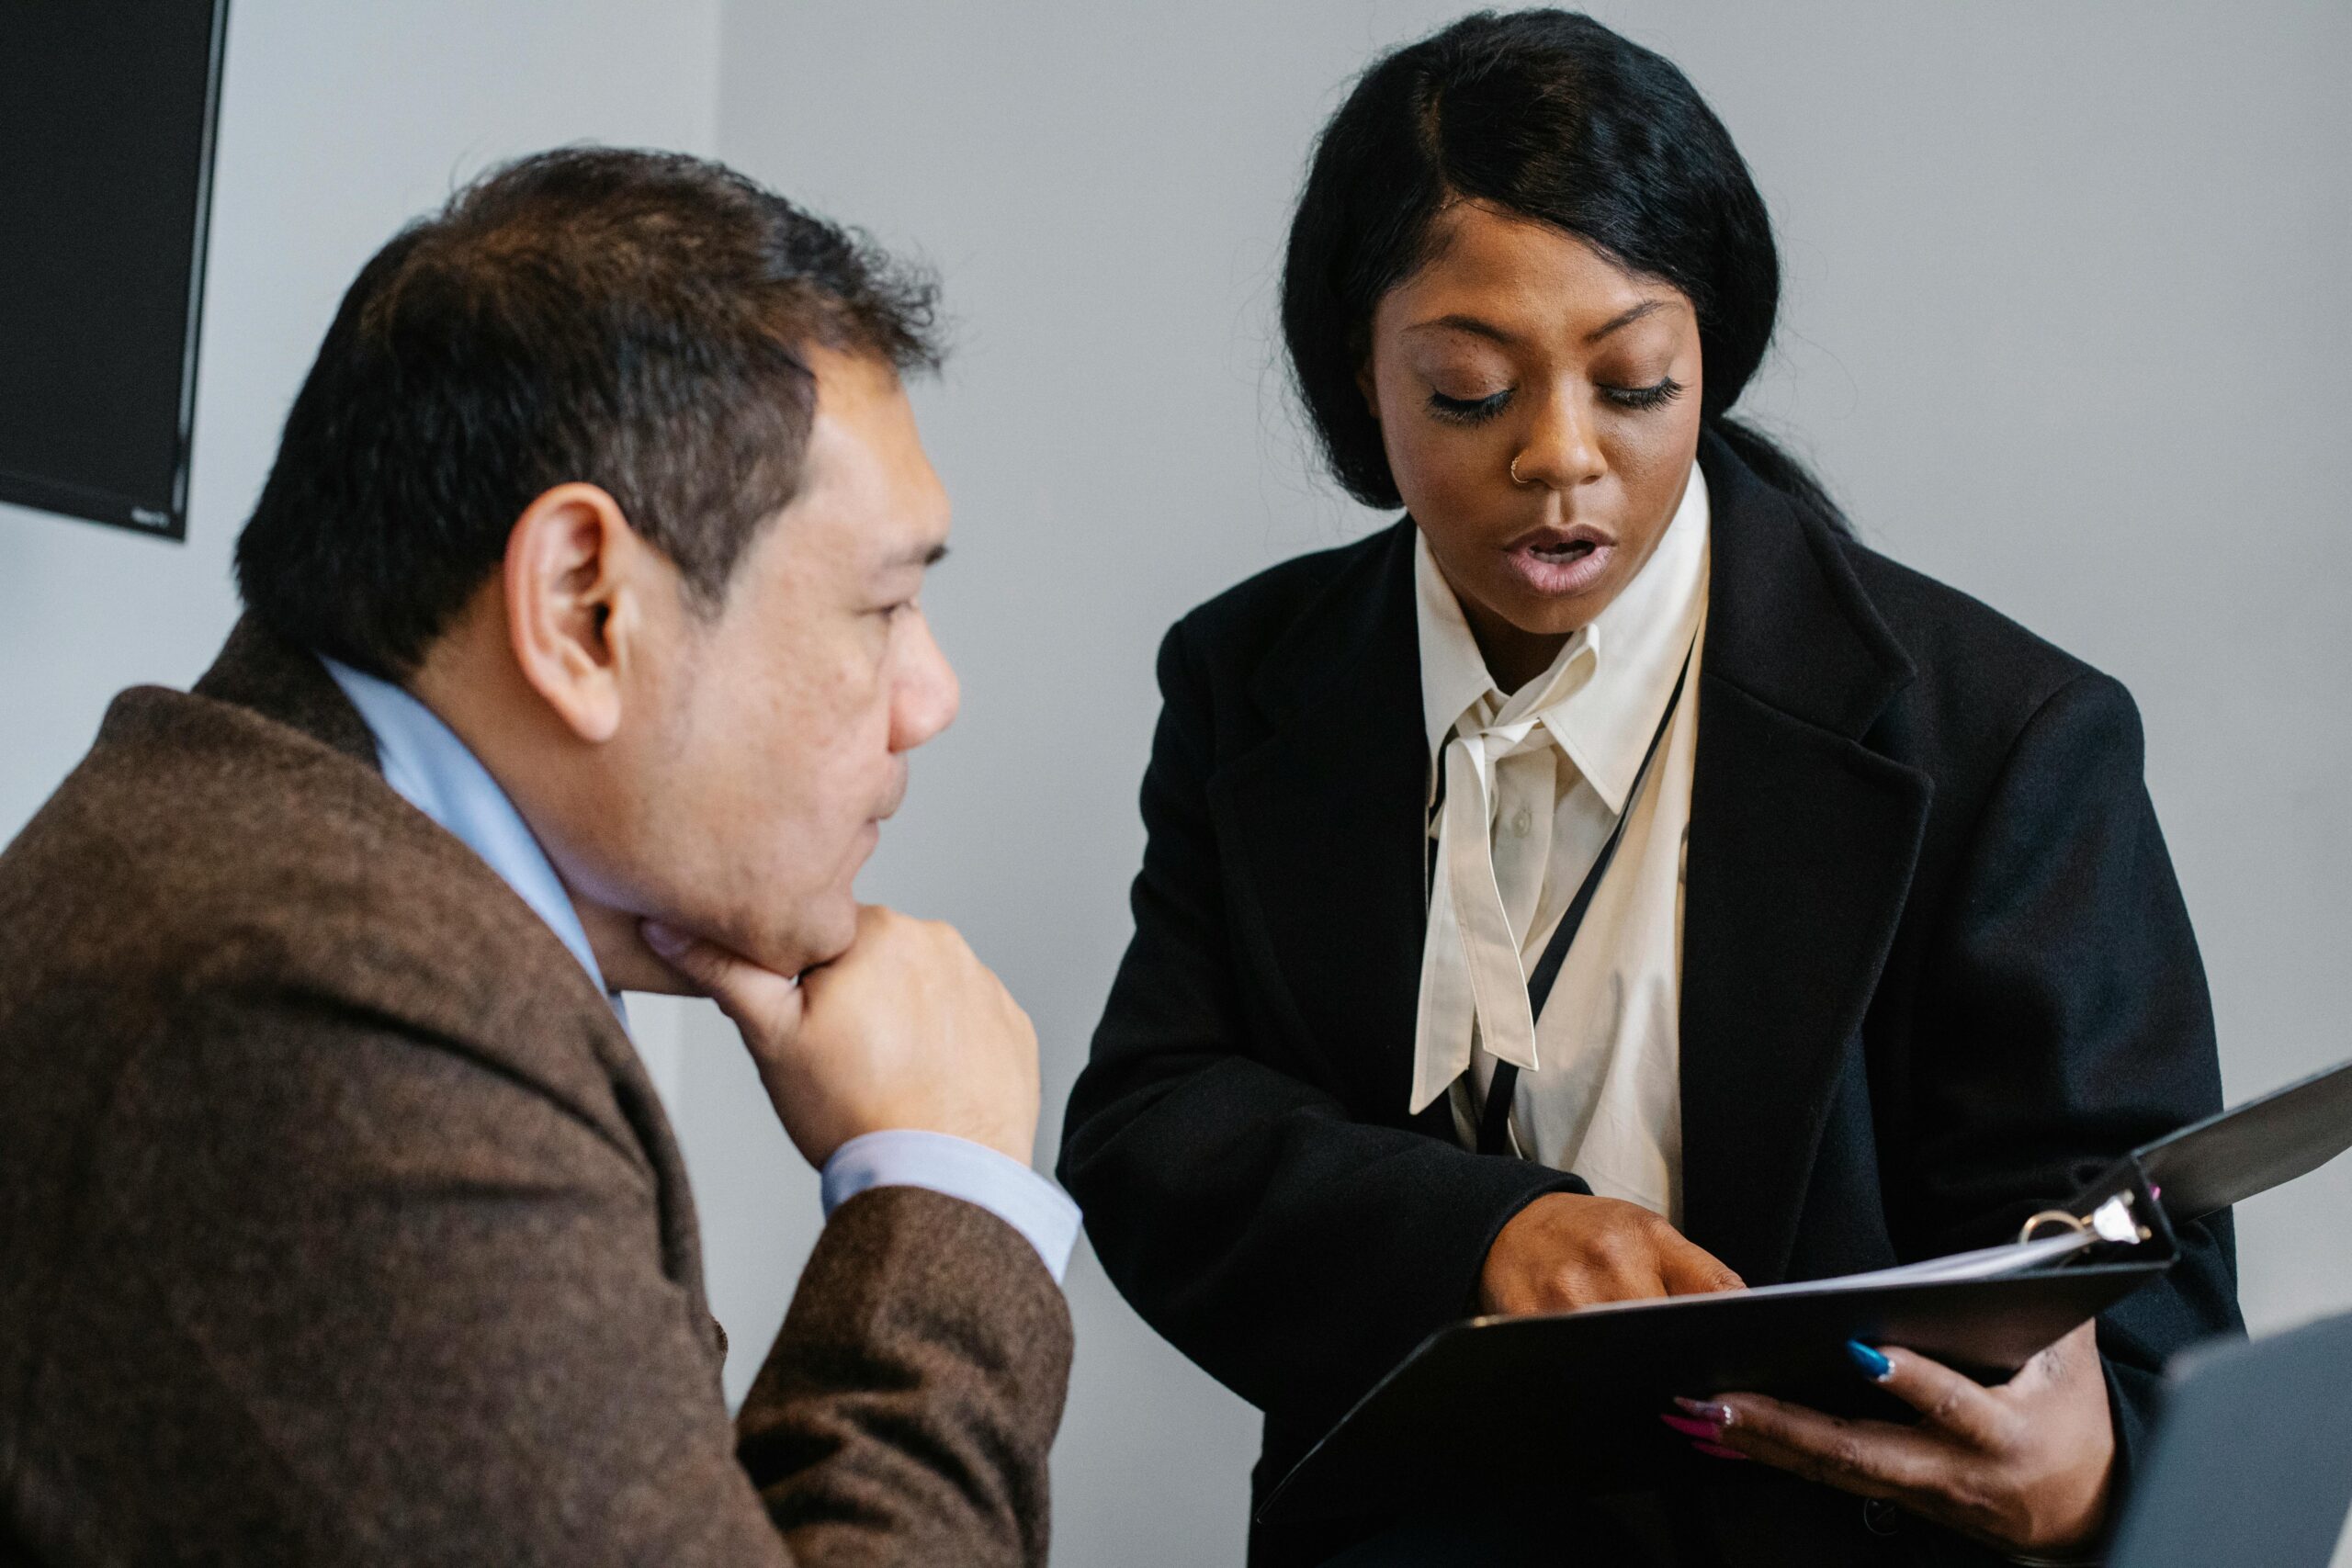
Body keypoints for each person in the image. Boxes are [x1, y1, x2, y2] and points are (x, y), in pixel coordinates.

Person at [1058, 11, 2240, 1566]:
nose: (1561, 458)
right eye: (1472, 391)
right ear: (1363, 375)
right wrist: (1483, 1237)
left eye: (1634, 383)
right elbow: (1154, 1123)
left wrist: (2091, 1491)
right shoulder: (1249, 675)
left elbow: (2151, 1304)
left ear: (1711, 359)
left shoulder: (2009, 735)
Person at [0, 149, 1077, 1566]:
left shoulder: (283, 862)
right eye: (882, 609)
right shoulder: (317, 1011)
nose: (931, 697)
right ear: (581, 608)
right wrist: (946, 1197)